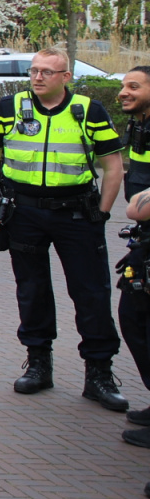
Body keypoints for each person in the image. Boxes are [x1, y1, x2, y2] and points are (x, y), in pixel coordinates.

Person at [0, 46, 127, 409]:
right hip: (23, 213)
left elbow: (112, 166)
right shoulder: (9, 108)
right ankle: (39, 363)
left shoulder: (88, 111)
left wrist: (101, 213)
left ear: (66, 77)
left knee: (91, 292)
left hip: (75, 214)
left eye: (47, 72)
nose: (38, 77)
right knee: (32, 288)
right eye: (34, 71)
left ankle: (99, 372)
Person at [114, 66, 150, 446]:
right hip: (144, 242)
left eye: (134, 86)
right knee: (134, 319)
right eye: (124, 85)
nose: (124, 91)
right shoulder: (139, 125)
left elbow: (137, 204)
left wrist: (139, 206)